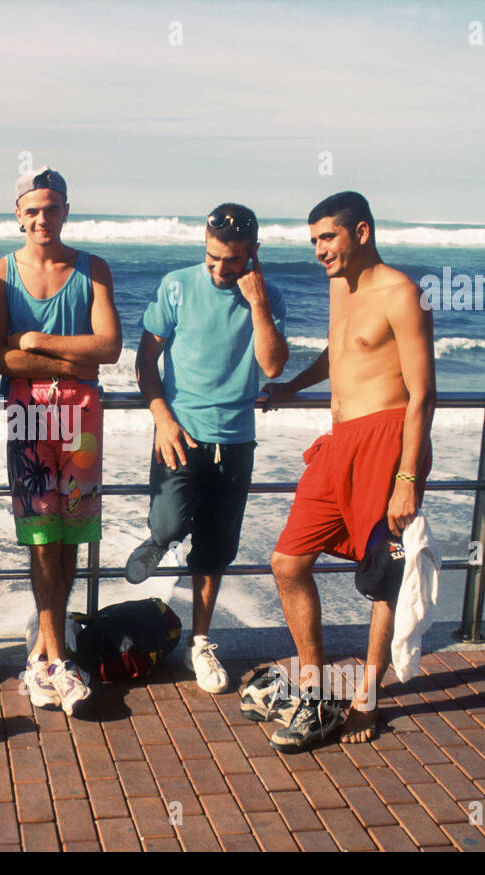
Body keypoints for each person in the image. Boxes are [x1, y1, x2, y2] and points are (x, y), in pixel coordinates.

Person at [261, 191, 436, 751]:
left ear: (361, 231)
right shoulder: (340, 286)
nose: (319, 251)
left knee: (381, 574)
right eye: (313, 241)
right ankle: (313, 688)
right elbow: (340, 355)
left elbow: (423, 395)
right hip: (339, 444)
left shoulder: (404, 293)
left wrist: (408, 477)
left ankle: (367, 699)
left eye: (327, 238)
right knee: (288, 561)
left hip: (388, 444)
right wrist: (292, 386)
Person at [125, 203, 288, 693]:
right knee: (170, 523)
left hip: (235, 439)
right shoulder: (177, 284)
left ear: (253, 253)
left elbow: (274, 366)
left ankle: (200, 641)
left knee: (216, 549)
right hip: (181, 431)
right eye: (212, 257)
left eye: (232, 260)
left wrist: (257, 302)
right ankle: (159, 540)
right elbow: (145, 360)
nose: (220, 269)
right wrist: (162, 420)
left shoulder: (269, 294)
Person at [0, 167, 122, 716]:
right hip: (28, 410)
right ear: (18, 213)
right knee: (41, 537)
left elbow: (108, 348)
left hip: (82, 410)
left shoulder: (95, 268)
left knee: (69, 535)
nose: (42, 218)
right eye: (32, 209)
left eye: (52, 207)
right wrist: (71, 353)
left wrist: (37, 340)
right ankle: (55, 662)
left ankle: (45, 647)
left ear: (67, 210)